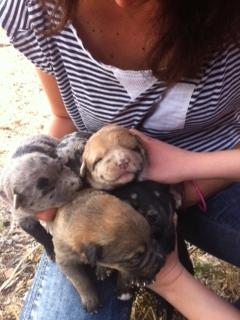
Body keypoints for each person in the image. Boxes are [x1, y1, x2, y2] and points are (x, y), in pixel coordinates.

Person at [0, 0, 240, 319]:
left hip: (220, 169)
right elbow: (63, 117)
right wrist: (56, 203)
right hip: (98, 201)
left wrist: (187, 172)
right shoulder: (32, 10)